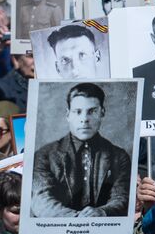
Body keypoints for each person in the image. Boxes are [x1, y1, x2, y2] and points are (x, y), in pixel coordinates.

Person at [31, 82, 131, 218]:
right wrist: (79, 220)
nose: (84, 119)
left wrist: (102, 212)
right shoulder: (44, 155)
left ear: (102, 112)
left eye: (92, 111)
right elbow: (42, 200)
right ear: (68, 115)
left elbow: (122, 198)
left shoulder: (119, 157)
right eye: (77, 112)